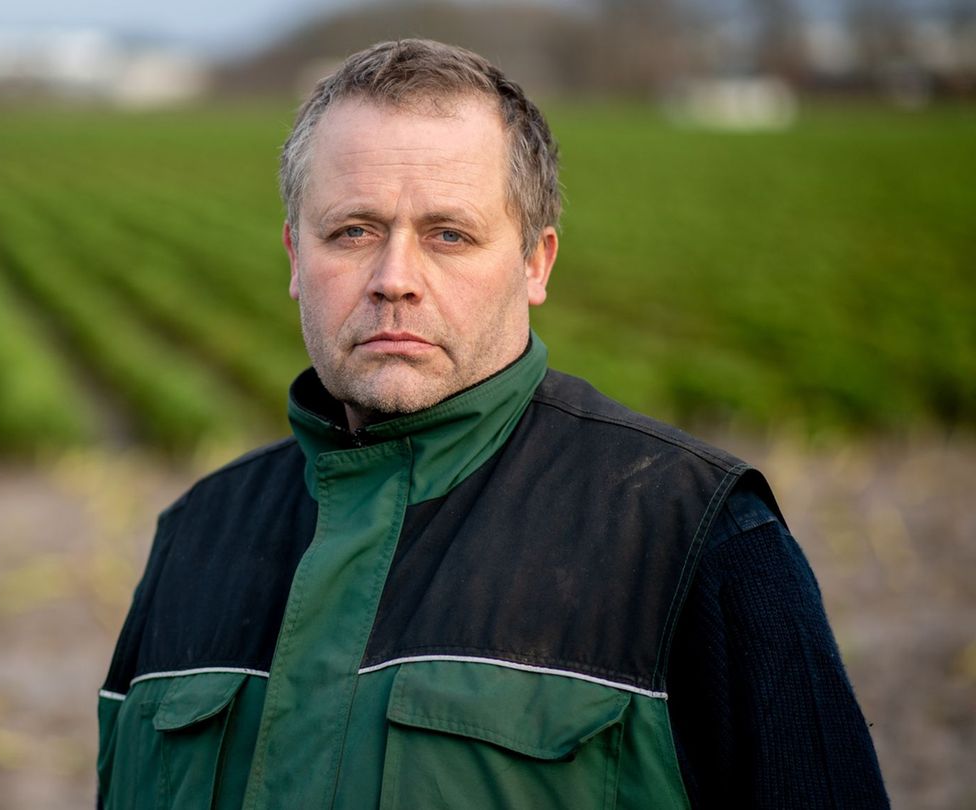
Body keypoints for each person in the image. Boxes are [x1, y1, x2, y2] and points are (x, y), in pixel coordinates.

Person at [96, 39, 888, 809]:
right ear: (295, 257)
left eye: (449, 235)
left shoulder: (698, 540)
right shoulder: (196, 536)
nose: (394, 280)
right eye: (353, 231)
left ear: (536, 263)